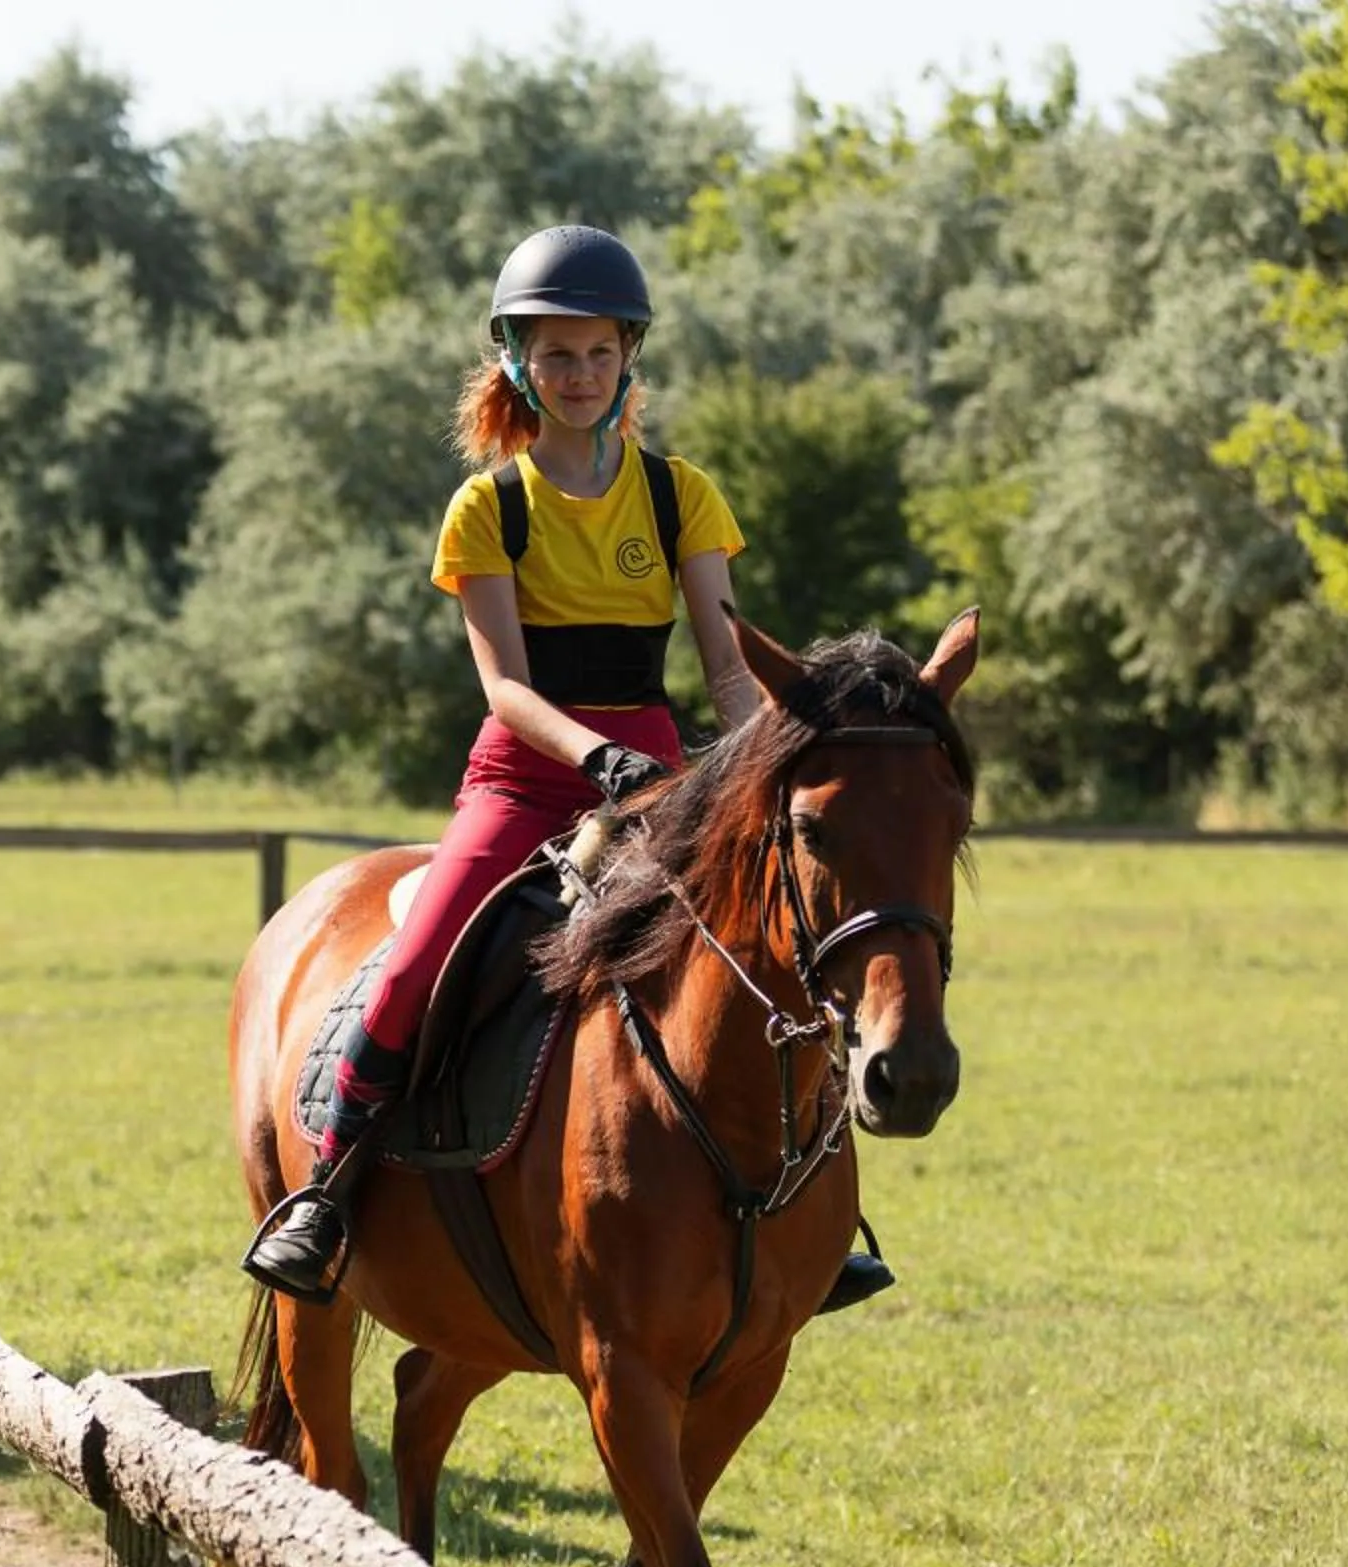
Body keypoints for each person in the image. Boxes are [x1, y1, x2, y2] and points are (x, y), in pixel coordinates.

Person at [241, 224, 892, 1314]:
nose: (579, 375)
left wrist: (756, 763)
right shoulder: (487, 507)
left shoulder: (682, 496)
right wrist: (592, 751)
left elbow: (727, 669)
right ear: (516, 362)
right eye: (556, 356)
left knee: (769, 947)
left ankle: (814, 1210)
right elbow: (503, 684)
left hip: (661, 781)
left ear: (628, 356)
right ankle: (329, 1191)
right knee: (417, 963)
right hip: (524, 775)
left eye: (597, 353)